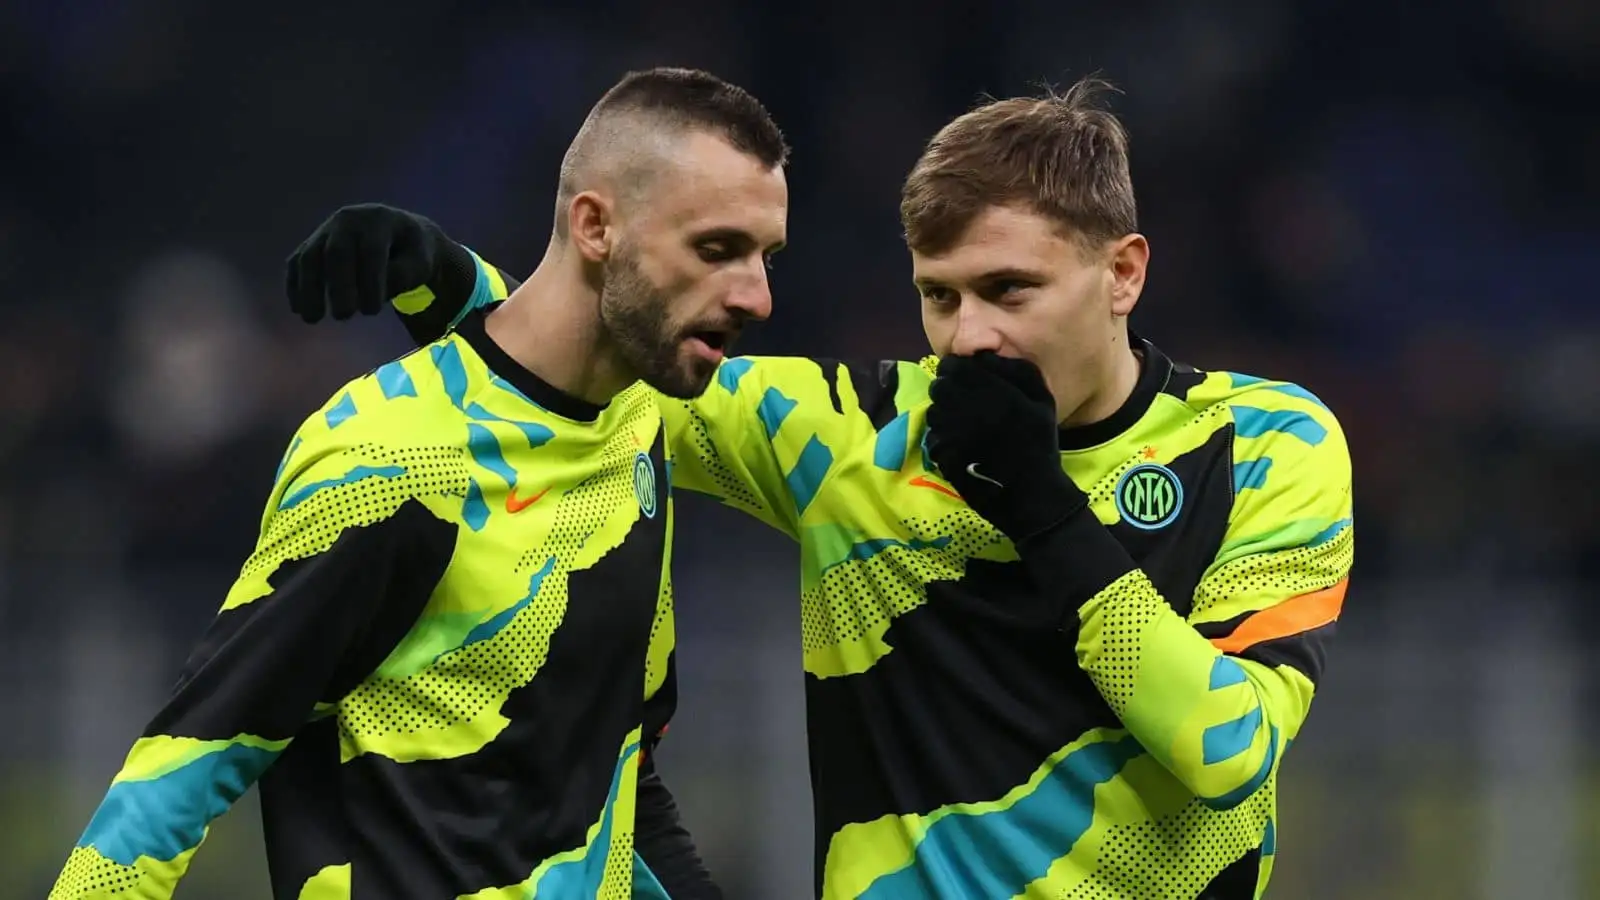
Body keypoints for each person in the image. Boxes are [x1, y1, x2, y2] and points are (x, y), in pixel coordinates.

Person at [288, 77, 1352, 899]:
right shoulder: (859, 431)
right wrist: (454, 282)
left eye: (1008, 290)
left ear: (1122, 273)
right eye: (939, 297)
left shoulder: (1265, 443)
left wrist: (1041, 509)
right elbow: (620, 356)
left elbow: (1225, 752)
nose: (970, 334)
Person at [50, 66, 789, 900]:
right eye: (718, 249)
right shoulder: (393, 459)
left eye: (767, 257)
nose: (757, 295)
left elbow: (620, 784)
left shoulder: (637, 431)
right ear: (595, 227)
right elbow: (184, 766)